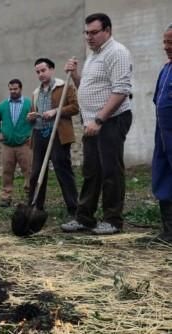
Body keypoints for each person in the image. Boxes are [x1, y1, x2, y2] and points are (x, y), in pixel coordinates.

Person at [61, 13, 133, 235]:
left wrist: (100, 119)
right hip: (92, 122)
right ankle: (85, 218)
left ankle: (112, 220)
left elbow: (121, 90)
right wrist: (74, 75)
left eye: (94, 33)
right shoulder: (94, 55)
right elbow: (87, 87)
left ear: (107, 31)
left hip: (111, 120)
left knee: (111, 171)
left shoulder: (117, 52)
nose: (89, 37)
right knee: (91, 171)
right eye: (86, 33)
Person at [27, 58, 79, 216]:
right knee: (36, 172)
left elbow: (75, 107)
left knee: (62, 170)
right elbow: (33, 112)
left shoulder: (64, 86)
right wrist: (31, 116)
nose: (40, 74)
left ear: (51, 69)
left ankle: (74, 207)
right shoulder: (36, 92)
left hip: (58, 134)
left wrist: (56, 111)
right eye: (37, 72)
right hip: (39, 135)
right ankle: (35, 206)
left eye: (43, 70)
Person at [0, 79, 33, 207]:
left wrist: (31, 135)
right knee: (7, 172)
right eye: (11, 89)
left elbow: (36, 119)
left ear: (21, 89)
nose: (13, 91)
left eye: (15, 89)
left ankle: (31, 196)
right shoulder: (3, 105)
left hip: (25, 145)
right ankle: (6, 197)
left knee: (29, 171)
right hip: (8, 145)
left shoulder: (28, 104)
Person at [151, 23, 172, 243]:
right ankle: (168, 231)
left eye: (170, 42)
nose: (166, 46)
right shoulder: (166, 69)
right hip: (163, 136)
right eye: (165, 42)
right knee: (163, 178)